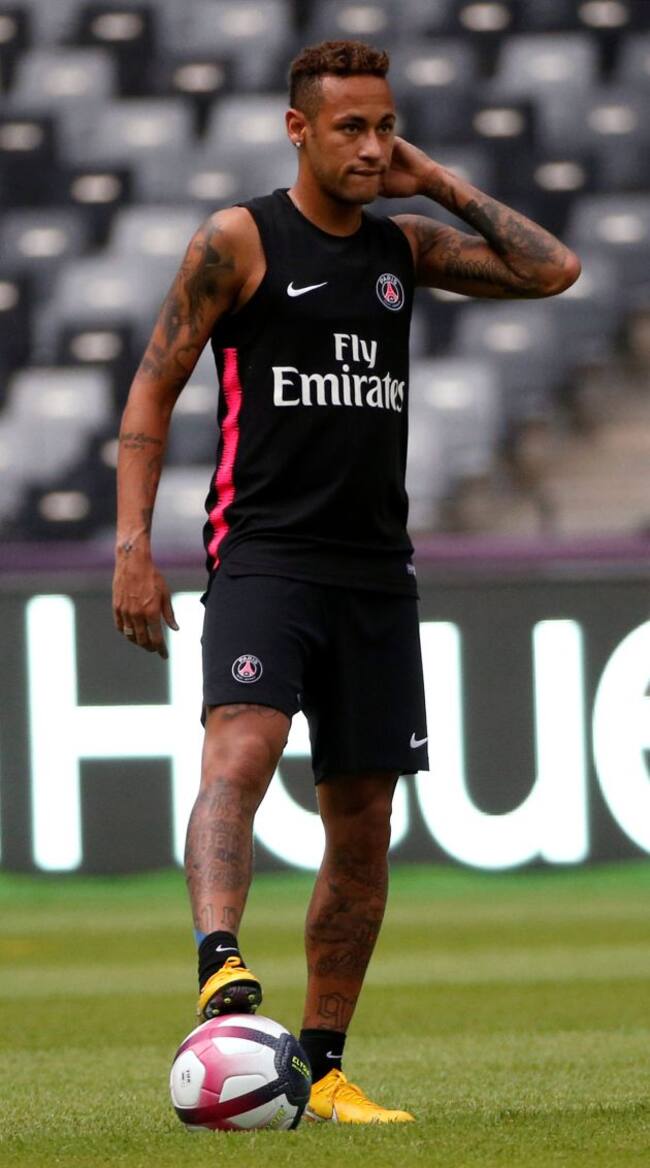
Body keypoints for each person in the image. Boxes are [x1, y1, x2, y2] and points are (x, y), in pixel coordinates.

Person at [112, 40, 580, 1123]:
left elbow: (551, 269)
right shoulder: (238, 239)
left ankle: (320, 1068)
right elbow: (151, 389)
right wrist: (134, 547)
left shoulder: (399, 245)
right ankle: (221, 964)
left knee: (362, 818)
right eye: (349, 129)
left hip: (375, 571)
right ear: (297, 130)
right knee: (243, 741)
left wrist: (439, 181)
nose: (371, 146)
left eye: (384, 127)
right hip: (264, 551)